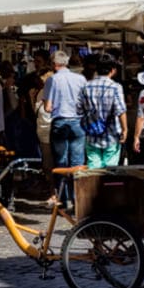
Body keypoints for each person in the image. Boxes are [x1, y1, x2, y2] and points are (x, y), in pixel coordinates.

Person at [43, 50, 86, 208]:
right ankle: (78, 201)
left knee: (61, 162)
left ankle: (62, 198)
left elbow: (48, 107)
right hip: (78, 122)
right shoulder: (80, 79)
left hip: (60, 121)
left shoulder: (52, 80)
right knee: (78, 163)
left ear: (54, 64)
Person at [76, 54, 127, 168]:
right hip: (111, 135)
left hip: (91, 135)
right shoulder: (115, 87)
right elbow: (120, 111)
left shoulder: (86, 86)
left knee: (94, 169)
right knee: (109, 170)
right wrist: (125, 130)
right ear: (113, 70)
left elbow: (79, 110)